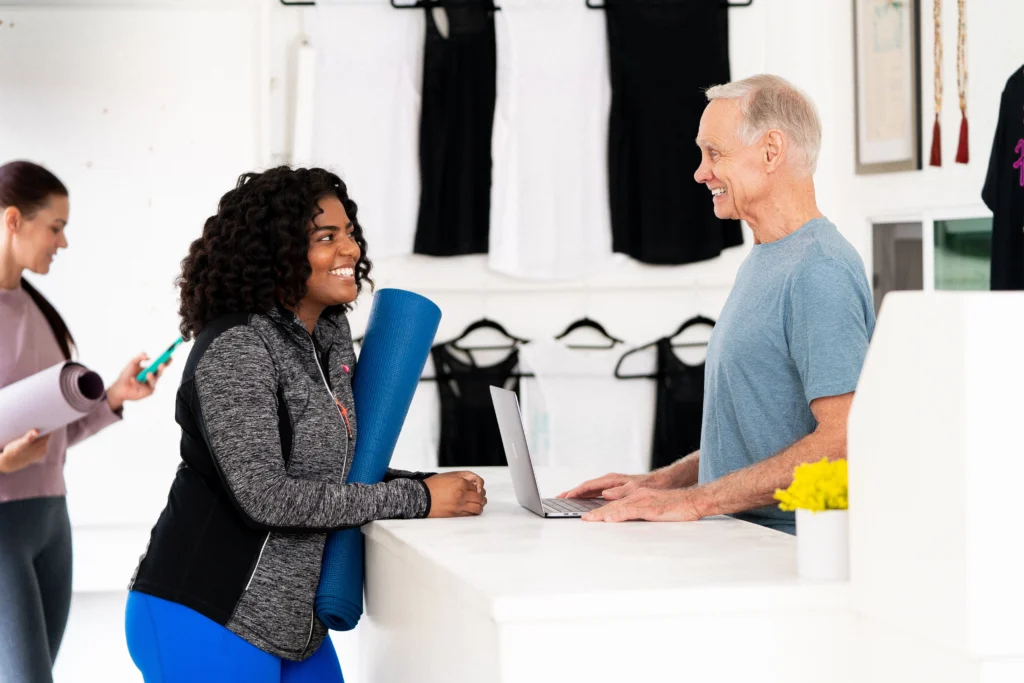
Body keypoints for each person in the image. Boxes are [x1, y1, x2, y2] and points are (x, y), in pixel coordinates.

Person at [124, 166, 488, 683]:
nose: (351, 250)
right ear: (274, 252)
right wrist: (419, 500)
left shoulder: (329, 337)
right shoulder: (239, 348)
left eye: (350, 233)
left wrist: (420, 484)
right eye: (326, 237)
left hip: (292, 625)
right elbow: (267, 497)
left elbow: (330, 474)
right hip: (204, 612)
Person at [561, 75, 874, 535]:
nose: (700, 171)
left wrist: (694, 502)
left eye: (715, 153)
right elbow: (760, 437)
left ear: (771, 151)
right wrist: (662, 483)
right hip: (733, 538)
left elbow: (843, 441)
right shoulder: (767, 259)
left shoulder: (819, 270)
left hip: (782, 554)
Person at [0, 160, 168, 683]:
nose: (63, 242)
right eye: (56, 227)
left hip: (51, 521)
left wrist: (114, 398)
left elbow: (54, 435)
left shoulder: (39, 312)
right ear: (13, 220)